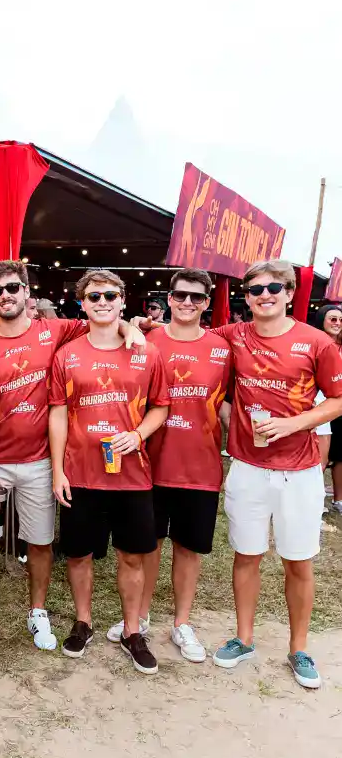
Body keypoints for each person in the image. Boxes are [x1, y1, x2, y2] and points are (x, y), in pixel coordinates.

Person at [0, 261, 142, 652]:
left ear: (27, 291)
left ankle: (38, 611)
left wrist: (130, 327)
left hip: (40, 461)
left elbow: (104, 320)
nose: (6, 295)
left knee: (40, 542)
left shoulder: (56, 330)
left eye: (13, 287)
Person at [207, 261, 342, 689]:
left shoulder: (317, 342)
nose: (264, 295)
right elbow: (188, 339)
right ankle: (244, 639)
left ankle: (298, 648)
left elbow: (338, 399)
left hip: (299, 472)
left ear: (288, 293)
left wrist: (294, 424)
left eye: (273, 288)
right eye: (255, 289)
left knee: (298, 561)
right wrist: (135, 327)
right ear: (246, 297)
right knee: (246, 555)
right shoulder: (233, 335)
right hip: (248, 467)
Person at [104, 268, 231, 662]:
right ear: (169, 298)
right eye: (180, 295)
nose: (188, 302)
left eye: (197, 297)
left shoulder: (222, 348)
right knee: (149, 545)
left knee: (188, 550)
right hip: (149, 465)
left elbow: (230, 404)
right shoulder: (145, 340)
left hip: (200, 467)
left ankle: (182, 623)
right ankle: (139, 618)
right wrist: (130, 324)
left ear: (207, 302)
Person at [50, 268, 169, 674]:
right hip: (80, 473)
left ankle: (132, 631)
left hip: (132, 475)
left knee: (132, 556)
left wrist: (137, 435)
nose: (102, 302)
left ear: (122, 301)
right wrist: (57, 470)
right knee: (78, 554)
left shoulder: (146, 352)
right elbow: (58, 413)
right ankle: (82, 622)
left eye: (110, 296)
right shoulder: (67, 355)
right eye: (94, 296)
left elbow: (161, 406)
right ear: (82, 304)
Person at [312, 304, 342, 512]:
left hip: (337, 407)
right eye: (332, 319)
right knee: (317, 459)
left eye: (340, 320)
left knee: (336, 456)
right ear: (321, 320)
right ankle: (313, 500)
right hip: (316, 406)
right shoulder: (312, 343)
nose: (337, 323)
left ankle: (335, 499)